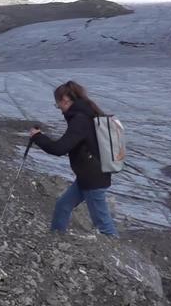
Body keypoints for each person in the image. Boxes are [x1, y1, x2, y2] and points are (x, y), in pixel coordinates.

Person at [29, 80, 118, 237]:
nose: (59, 110)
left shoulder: (80, 120)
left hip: (93, 179)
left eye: (58, 105)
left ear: (65, 100)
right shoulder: (86, 113)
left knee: (103, 224)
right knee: (63, 206)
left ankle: (117, 255)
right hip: (88, 175)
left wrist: (38, 137)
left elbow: (59, 149)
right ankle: (55, 239)